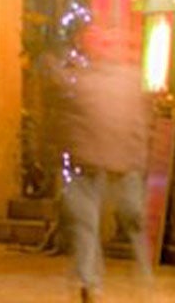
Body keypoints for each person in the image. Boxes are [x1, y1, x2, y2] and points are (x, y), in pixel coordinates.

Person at [51, 35, 152, 303]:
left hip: (91, 163)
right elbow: (140, 123)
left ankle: (89, 281)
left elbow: (69, 123)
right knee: (133, 223)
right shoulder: (132, 80)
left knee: (87, 225)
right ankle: (143, 280)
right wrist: (138, 160)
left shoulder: (82, 81)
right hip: (121, 163)